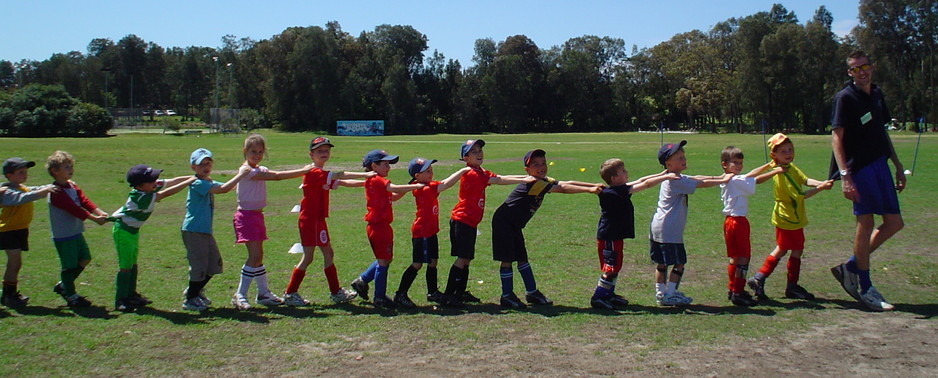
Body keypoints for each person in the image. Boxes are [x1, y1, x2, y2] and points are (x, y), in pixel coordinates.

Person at [829, 50, 906, 312]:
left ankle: (851, 266)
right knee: (866, 221)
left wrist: (896, 164)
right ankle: (864, 285)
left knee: (894, 222)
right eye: (855, 69)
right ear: (849, 73)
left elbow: (881, 131)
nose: (861, 72)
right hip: (858, 168)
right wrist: (845, 176)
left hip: (880, 164)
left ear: (872, 67)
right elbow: (837, 137)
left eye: (865, 66)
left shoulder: (876, 94)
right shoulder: (845, 98)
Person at [493, 149, 602, 308]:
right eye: (535, 165)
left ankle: (532, 292)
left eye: (543, 163)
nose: (541, 167)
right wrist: (590, 190)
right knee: (507, 259)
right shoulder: (534, 183)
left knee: (522, 258)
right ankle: (507, 295)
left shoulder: (543, 179)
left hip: (514, 224)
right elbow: (562, 188)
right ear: (527, 170)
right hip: (504, 223)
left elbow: (566, 182)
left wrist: (593, 185)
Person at [439, 139, 530, 307]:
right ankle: (448, 295)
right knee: (462, 258)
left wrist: (526, 178)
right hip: (462, 220)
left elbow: (500, 177)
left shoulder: (480, 171)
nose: (479, 153)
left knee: (466, 259)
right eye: (473, 152)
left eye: (479, 150)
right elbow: (498, 180)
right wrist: (526, 179)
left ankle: (459, 293)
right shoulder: (472, 174)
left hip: (470, 222)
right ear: (465, 158)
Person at [282, 137, 372, 306]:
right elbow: (340, 174)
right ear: (311, 154)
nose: (324, 153)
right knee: (308, 257)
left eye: (326, 150)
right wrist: (366, 174)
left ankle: (335, 292)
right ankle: (290, 293)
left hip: (319, 221)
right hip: (309, 221)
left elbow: (344, 182)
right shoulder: (315, 173)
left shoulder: (323, 174)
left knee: (328, 253)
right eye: (319, 151)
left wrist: (368, 182)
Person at [231, 134, 314, 310]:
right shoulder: (248, 171)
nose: (257, 155)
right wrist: (303, 170)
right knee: (254, 256)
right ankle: (240, 294)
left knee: (258, 256)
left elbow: (270, 173)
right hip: (246, 217)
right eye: (253, 151)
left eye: (260, 151)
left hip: (256, 216)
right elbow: (277, 176)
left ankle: (263, 293)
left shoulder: (258, 169)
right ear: (245, 151)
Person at [747, 134, 833, 301]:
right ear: (774, 155)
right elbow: (801, 194)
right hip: (788, 218)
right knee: (786, 248)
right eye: (783, 151)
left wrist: (821, 182)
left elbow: (806, 180)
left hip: (794, 217)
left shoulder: (790, 168)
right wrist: (821, 188)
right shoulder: (781, 175)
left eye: (790, 149)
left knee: (794, 249)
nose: (788, 153)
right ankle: (763, 278)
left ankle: (781, 283)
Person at [650, 141, 730, 306]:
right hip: (669, 230)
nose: (683, 160)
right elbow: (701, 183)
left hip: (659, 227)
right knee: (679, 262)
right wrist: (723, 180)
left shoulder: (674, 176)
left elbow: (696, 178)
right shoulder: (675, 181)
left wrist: (719, 177)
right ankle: (670, 294)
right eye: (679, 158)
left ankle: (661, 293)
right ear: (668, 163)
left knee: (662, 263)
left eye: (683, 156)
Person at [590, 158, 676, 310]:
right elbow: (645, 184)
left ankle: (609, 294)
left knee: (616, 265)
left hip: (616, 236)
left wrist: (661, 173)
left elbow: (642, 180)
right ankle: (598, 296)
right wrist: (666, 177)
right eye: (622, 171)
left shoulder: (619, 188)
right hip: (609, 237)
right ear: (614, 178)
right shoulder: (614, 192)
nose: (627, 173)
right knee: (610, 268)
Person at [111, 164, 194, 312]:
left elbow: (172, 181)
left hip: (132, 231)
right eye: (150, 180)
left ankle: (131, 294)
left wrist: (194, 177)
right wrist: (189, 182)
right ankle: (120, 299)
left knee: (133, 263)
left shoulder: (148, 187)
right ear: (140, 185)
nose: (155, 181)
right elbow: (165, 194)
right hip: (123, 231)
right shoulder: (142, 197)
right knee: (125, 266)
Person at [350, 150, 424, 309]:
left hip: (381, 226)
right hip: (379, 227)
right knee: (383, 262)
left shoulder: (375, 181)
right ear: (373, 166)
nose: (388, 167)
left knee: (385, 259)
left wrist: (410, 187)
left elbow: (394, 196)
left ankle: (362, 281)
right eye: (385, 164)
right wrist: (418, 185)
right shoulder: (377, 179)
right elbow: (394, 188)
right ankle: (379, 297)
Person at [391, 158, 469, 308]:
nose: (430, 172)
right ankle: (400, 293)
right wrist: (462, 171)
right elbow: (445, 184)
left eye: (430, 169)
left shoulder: (423, 185)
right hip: (422, 232)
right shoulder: (425, 188)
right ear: (417, 176)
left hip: (431, 231)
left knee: (433, 262)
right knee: (417, 264)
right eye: (426, 170)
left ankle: (432, 292)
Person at [180, 148, 251, 311]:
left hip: (205, 231)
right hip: (193, 230)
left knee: (214, 264)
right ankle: (190, 298)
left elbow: (228, 186)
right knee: (199, 266)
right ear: (193, 167)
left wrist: (246, 174)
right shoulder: (197, 182)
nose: (206, 167)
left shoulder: (208, 181)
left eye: (208, 163)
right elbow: (223, 189)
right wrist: (241, 174)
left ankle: (194, 291)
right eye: (201, 164)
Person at [717, 147, 782, 307]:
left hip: (729, 221)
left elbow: (750, 175)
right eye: (735, 163)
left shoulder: (728, 178)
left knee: (735, 257)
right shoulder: (735, 180)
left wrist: (769, 165)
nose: (739, 166)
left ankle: (733, 288)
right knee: (743, 257)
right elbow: (756, 180)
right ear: (724, 164)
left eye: (740, 163)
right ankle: (738, 293)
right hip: (737, 222)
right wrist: (776, 171)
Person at [46, 151, 109, 308]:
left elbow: (83, 201)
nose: (70, 169)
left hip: (76, 232)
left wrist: (99, 211)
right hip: (64, 235)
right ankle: (71, 294)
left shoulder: (72, 185)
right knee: (69, 266)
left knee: (85, 258)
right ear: (55, 171)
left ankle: (63, 285)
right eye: (66, 167)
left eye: (71, 166)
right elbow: (74, 209)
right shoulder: (55, 191)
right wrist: (94, 219)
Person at [0, 157, 58, 308]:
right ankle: (8, 294)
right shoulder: (7, 191)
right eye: (20, 172)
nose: (24, 175)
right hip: (8, 231)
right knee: (14, 262)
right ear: (9, 175)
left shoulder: (21, 187)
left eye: (25, 172)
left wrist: (55, 185)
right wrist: (45, 191)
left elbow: (32, 189)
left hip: (19, 230)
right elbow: (23, 198)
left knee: (16, 263)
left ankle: (9, 292)